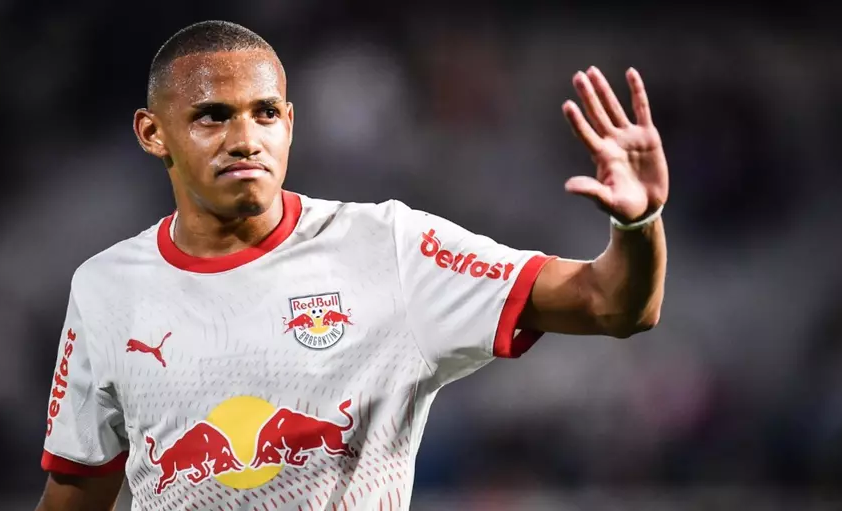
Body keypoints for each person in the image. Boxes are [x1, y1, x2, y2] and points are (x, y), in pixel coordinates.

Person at [34, 20, 668, 511]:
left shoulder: (389, 248)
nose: (245, 139)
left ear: (289, 124)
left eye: (265, 113)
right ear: (152, 133)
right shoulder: (105, 288)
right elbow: (74, 497)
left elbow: (612, 304)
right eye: (212, 117)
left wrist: (639, 224)